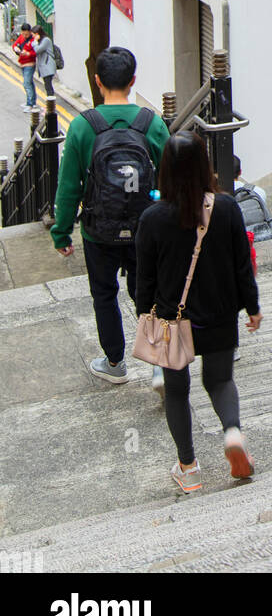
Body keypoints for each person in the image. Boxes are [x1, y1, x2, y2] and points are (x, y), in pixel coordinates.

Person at [135, 131, 262, 493]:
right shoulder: (226, 207)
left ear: (166, 171)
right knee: (220, 380)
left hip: (174, 321)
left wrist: (147, 316)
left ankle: (189, 468)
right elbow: (242, 266)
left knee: (177, 391)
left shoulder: (152, 219)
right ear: (205, 166)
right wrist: (252, 307)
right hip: (220, 312)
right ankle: (233, 432)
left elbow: (145, 279)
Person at [50, 46, 170, 385]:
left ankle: (115, 363)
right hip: (145, 228)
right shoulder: (152, 123)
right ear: (133, 81)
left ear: (97, 81)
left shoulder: (82, 127)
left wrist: (61, 233)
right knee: (148, 291)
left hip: (97, 230)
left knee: (104, 294)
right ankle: (159, 362)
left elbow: (68, 186)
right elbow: (169, 177)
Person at [11, 22, 37, 109]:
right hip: (22, 63)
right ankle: (31, 102)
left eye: (26, 34)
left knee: (26, 84)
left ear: (30, 32)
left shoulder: (33, 40)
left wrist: (28, 53)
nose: (24, 36)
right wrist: (16, 48)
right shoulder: (21, 37)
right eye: (23, 33)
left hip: (30, 64)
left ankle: (30, 104)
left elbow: (36, 52)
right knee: (29, 83)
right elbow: (15, 44)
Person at [32, 27, 57, 98]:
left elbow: (37, 50)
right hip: (45, 67)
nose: (33, 37)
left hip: (48, 66)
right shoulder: (42, 41)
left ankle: (51, 105)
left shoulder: (46, 40)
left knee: (48, 86)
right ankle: (50, 103)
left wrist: (35, 42)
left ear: (37, 34)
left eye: (33, 35)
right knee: (47, 85)